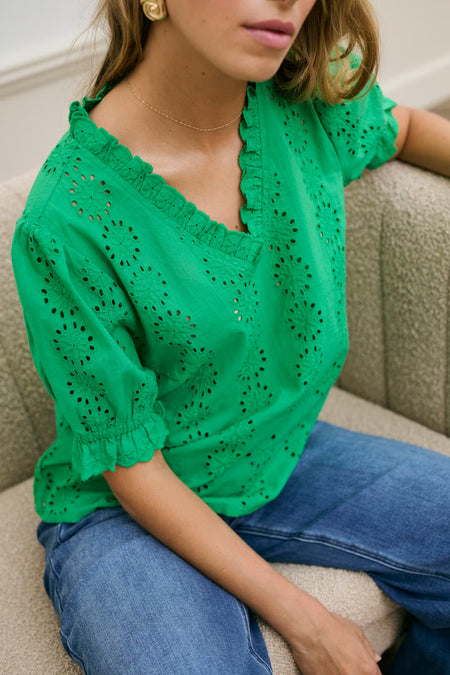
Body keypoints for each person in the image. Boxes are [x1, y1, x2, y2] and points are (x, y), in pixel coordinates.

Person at [10, 0, 450, 673]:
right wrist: (307, 619)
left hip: (280, 453)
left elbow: (403, 126)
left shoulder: (307, 95)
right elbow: (132, 467)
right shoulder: (67, 220)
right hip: (129, 505)